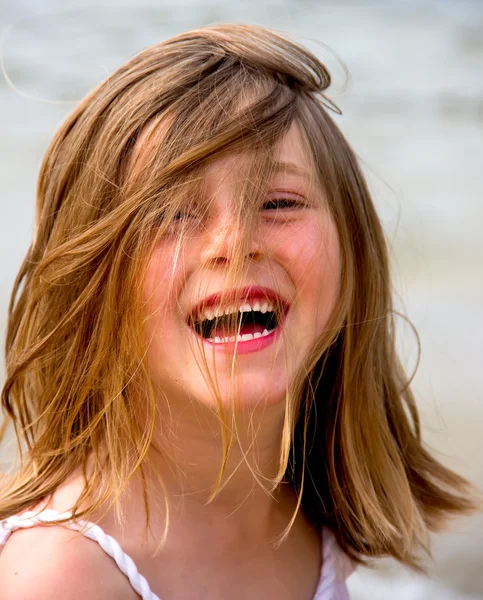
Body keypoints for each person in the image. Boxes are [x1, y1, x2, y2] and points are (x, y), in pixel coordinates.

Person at [0, 23, 478, 600]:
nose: (235, 241)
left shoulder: (316, 509)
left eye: (279, 202)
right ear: (94, 283)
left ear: (354, 247)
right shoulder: (60, 575)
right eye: (174, 213)